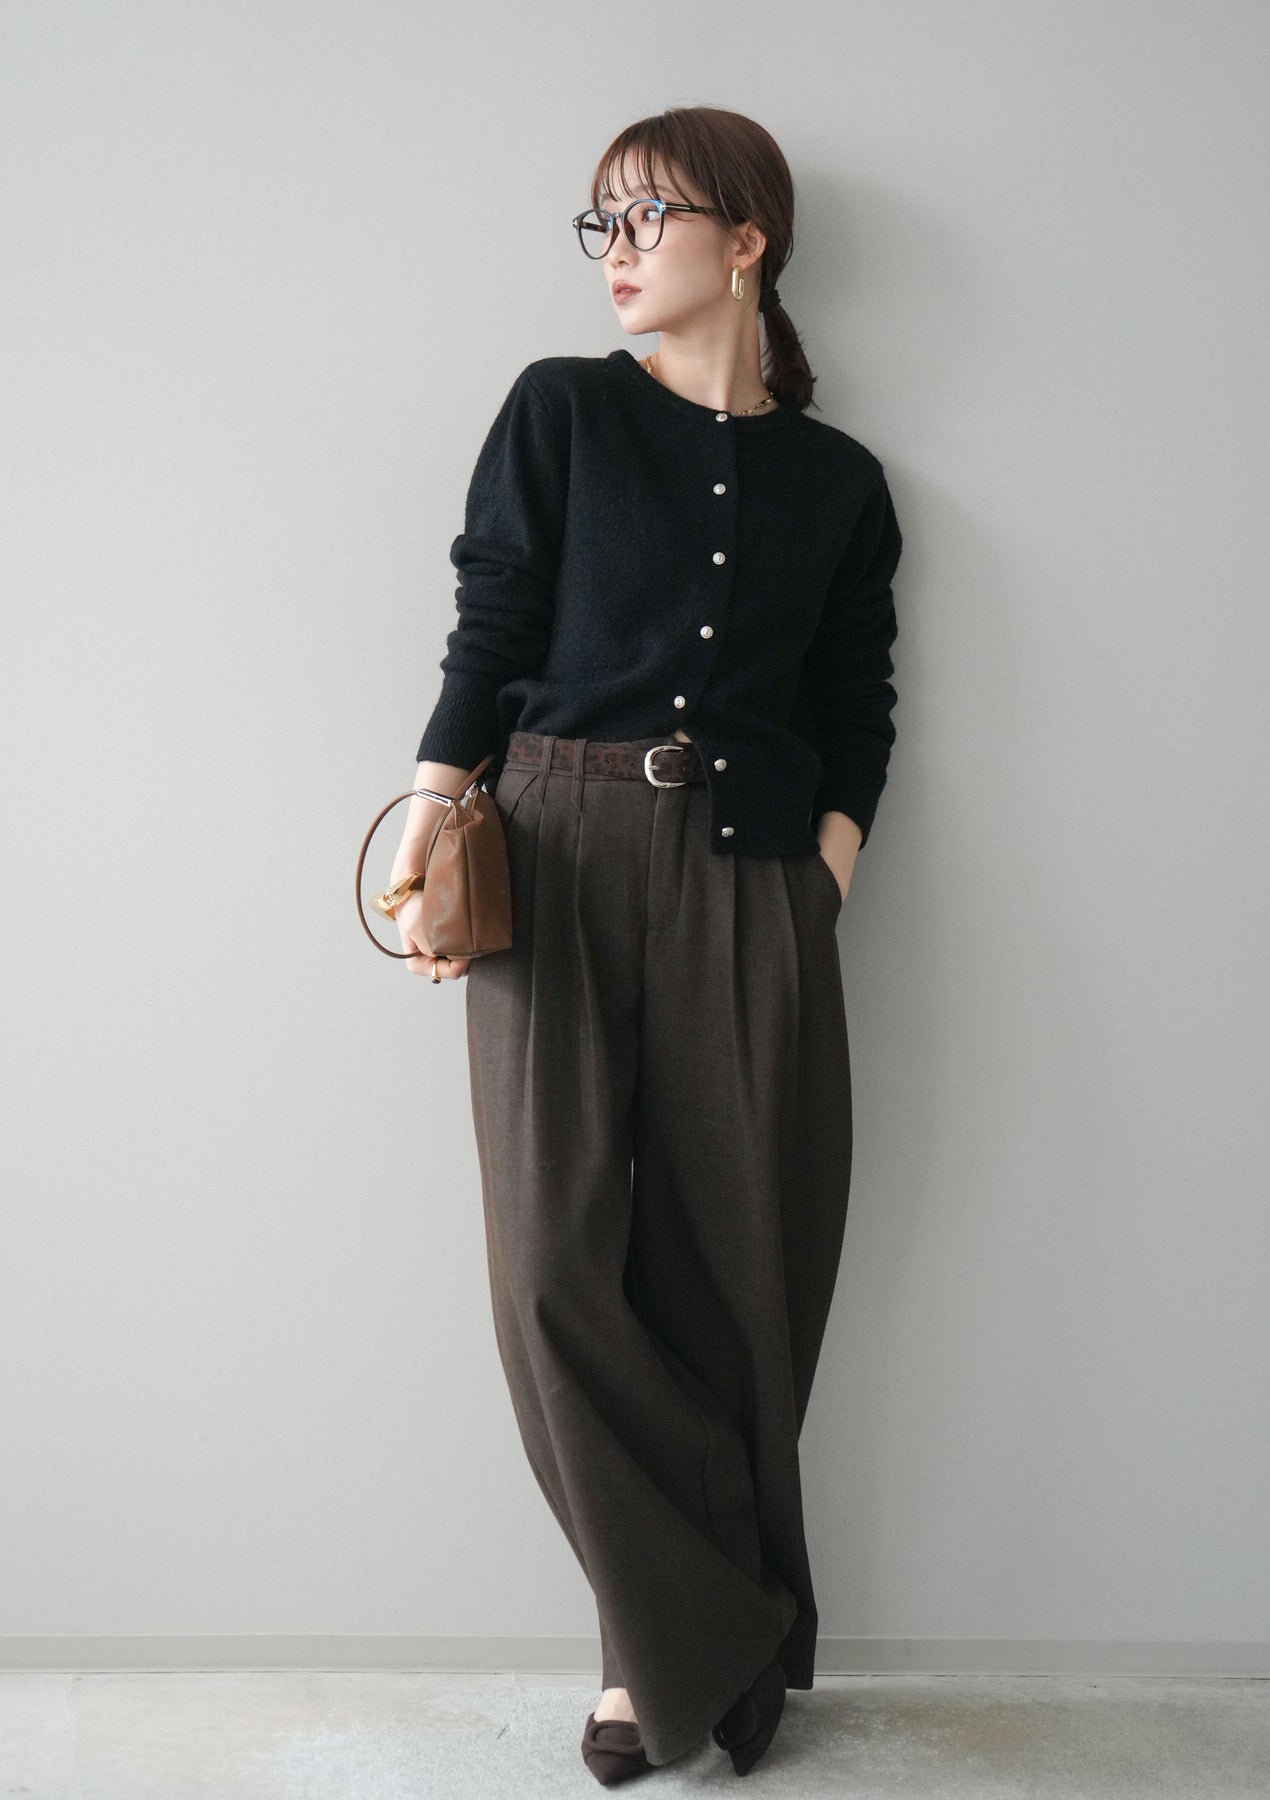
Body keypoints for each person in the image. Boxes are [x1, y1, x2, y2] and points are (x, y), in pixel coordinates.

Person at [384, 105, 903, 1782]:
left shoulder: (838, 483)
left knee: (738, 1273)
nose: (613, 251)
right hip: (555, 847)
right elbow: (490, 620)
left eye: (647, 217)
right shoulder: (562, 409)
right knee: (553, 1270)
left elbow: (856, 701)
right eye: (596, 223)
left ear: (744, 241)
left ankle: (642, 1670)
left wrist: (823, 878)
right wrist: (427, 816)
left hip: (755, 873)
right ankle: (718, 1623)